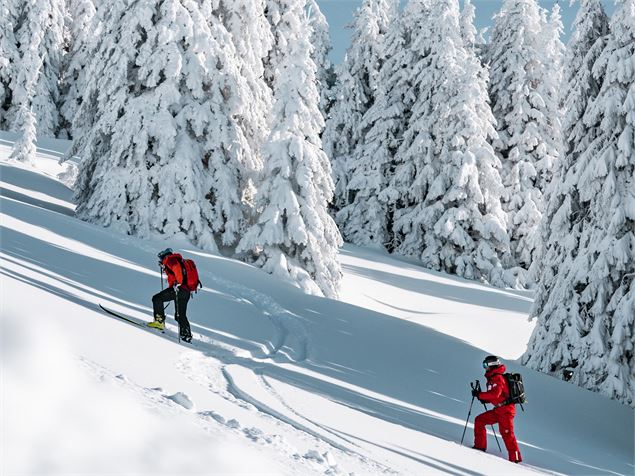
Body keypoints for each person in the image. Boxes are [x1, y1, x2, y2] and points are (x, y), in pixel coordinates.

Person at [472, 355, 522, 463]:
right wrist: (482, 398)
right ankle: (480, 446)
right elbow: (496, 396)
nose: (484, 367)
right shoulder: (492, 378)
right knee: (479, 420)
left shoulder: (498, 378)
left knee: (507, 434)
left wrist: (480, 395)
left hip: (506, 411)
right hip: (499, 410)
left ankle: (515, 459)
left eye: (485, 365)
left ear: (491, 365)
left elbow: (495, 394)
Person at [149, 248, 193, 343]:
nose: (160, 261)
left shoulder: (170, 259)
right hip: (186, 292)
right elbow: (175, 272)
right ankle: (186, 335)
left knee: (157, 298)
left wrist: (179, 283)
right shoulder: (177, 260)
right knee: (180, 315)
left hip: (179, 289)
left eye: (160, 258)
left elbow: (176, 268)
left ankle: (159, 322)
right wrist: (165, 269)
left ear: (164, 256)